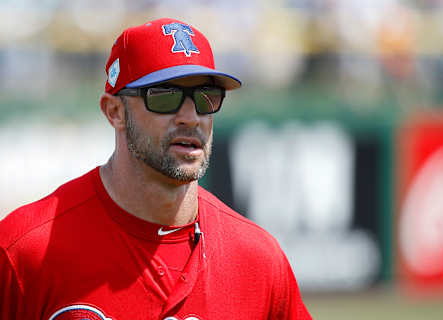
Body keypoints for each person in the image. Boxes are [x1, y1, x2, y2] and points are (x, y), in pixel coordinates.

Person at [0, 18, 312, 320]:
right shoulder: (24, 251)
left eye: (207, 96)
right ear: (115, 112)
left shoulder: (257, 259)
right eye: (165, 96)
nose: (191, 117)